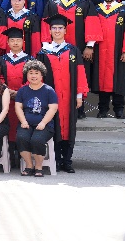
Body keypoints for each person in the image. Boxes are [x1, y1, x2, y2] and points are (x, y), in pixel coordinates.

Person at [36, 14, 89, 173]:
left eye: (60, 28)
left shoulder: (73, 50)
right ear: (50, 31)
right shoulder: (43, 52)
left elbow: (80, 73)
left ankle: (67, 161)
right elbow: (38, 76)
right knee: (55, 126)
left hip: (70, 97)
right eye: (54, 28)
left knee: (69, 127)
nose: (57, 30)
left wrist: (79, 95)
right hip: (50, 98)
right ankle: (56, 160)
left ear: (66, 30)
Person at [15, 60, 59, 177]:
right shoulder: (22, 90)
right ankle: (29, 165)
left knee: (37, 140)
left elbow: (53, 108)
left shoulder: (49, 90)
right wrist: (23, 121)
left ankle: (39, 166)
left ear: (41, 75)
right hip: (26, 123)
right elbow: (18, 107)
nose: (33, 76)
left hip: (45, 125)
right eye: (30, 73)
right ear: (27, 74)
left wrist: (43, 123)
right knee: (21, 137)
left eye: (36, 73)